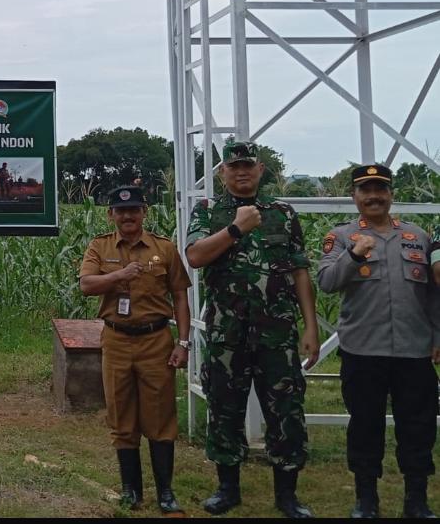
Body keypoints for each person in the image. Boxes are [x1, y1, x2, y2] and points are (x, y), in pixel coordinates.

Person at [185, 138, 319, 518]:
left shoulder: (282, 212)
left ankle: (287, 494)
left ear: (260, 170)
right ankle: (227, 489)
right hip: (227, 334)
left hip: (277, 333)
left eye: (248, 166)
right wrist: (235, 229)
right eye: (233, 167)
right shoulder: (208, 211)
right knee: (225, 408)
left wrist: (310, 327)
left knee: (286, 411)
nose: (241, 172)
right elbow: (194, 256)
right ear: (222, 172)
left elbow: (299, 271)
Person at [317, 164, 440, 518]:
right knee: (365, 426)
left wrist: (437, 334)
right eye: (365, 190)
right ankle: (366, 500)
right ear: (354, 196)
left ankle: (416, 500)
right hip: (363, 351)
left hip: (413, 350)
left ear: (391, 194)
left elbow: (433, 294)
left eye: (380, 189)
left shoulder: (417, 236)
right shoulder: (341, 237)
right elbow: (326, 282)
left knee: (418, 427)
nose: (373, 196)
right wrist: (355, 255)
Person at [79, 186, 190, 514]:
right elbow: (86, 285)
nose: (127, 216)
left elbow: (181, 297)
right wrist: (119, 275)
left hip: (156, 341)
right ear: (110, 214)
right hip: (116, 340)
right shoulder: (100, 247)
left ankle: (166, 492)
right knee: (121, 416)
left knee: (160, 418)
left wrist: (183, 343)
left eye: (134, 210)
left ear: (145, 212)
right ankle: (131, 491)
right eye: (120, 211)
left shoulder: (164, 249)